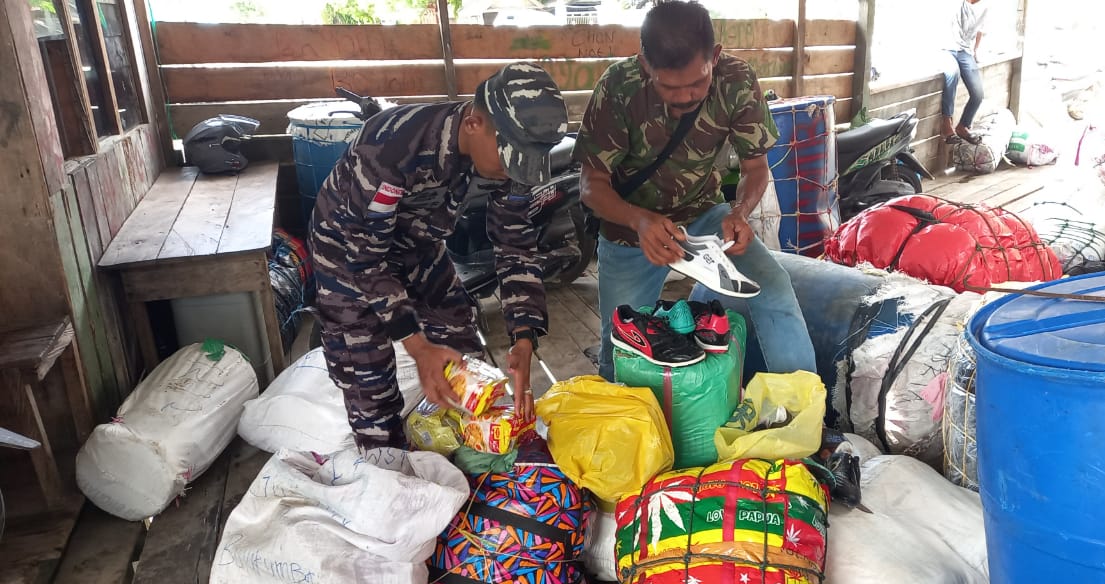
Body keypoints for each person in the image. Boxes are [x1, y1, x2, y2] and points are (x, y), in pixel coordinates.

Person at [309, 62, 568, 450]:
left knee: (466, 362)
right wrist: (417, 346)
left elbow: (514, 244)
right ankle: (387, 460)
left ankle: (465, 448)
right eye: (509, 159)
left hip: (419, 247)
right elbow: (366, 259)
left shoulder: (510, 153)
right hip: (346, 256)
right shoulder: (392, 146)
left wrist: (524, 336)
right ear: (475, 123)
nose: (513, 173)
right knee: (370, 383)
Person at [575, 0, 816, 381]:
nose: (685, 96)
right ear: (644, 65)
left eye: (698, 83)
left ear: (715, 57)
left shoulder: (736, 80)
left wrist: (740, 213)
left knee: (775, 287)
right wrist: (640, 221)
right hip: (628, 232)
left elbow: (755, 169)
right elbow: (591, 186)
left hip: (705, 215)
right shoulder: (618, 87)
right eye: (669, 86)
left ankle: (804, 411)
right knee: (620, 348)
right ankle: (624, 427)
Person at [941, 0, 989, 145]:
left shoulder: (984, 7)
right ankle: (947, 125)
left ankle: (963, 126)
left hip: (965, 51)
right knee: (952, 74)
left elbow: (980, 29)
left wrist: (975, 50)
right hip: (946, 49)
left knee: (978, 94)